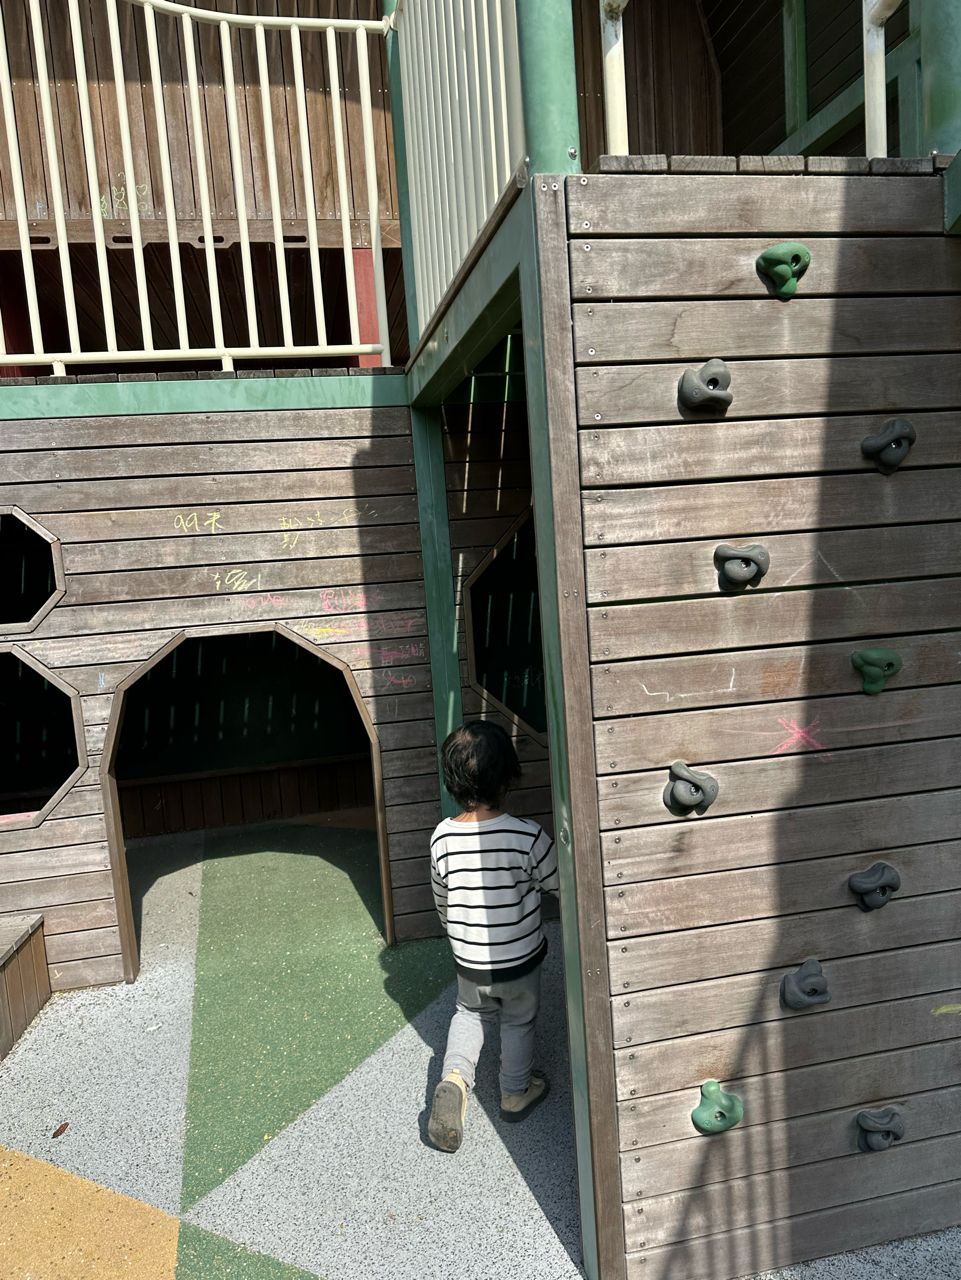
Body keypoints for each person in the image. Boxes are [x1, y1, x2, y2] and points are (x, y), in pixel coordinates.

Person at [427, 720, 559, 1153]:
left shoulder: (442, 838)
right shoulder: (527, 836)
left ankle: (455, 1079)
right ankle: (515, 1092)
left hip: (469, 961)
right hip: (519, 961)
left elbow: (443, 899)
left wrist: (454, 932)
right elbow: (560, 882)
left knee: (469, 1015)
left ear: (452, 781)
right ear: (507, 779)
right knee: (517, 1021)